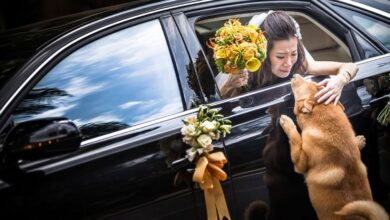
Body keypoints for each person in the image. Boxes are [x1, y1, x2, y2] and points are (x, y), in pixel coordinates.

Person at [219, 11, 358, 106]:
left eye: (293, 53)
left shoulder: (301, 65)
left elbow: (351, 66)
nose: (289, 63)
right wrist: (228, 86)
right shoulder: (245, 73)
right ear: (264, 55)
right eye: (280, 56)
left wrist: (340, 81)